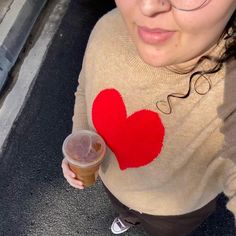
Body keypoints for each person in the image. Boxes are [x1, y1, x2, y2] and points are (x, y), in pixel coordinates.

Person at [62, 0, 236, 235]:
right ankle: (128, 217)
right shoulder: (107, 28)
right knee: (123, 208)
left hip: (175, 216)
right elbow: (86, 87)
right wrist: (80, 140)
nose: (148, 6)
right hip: (112, 184)